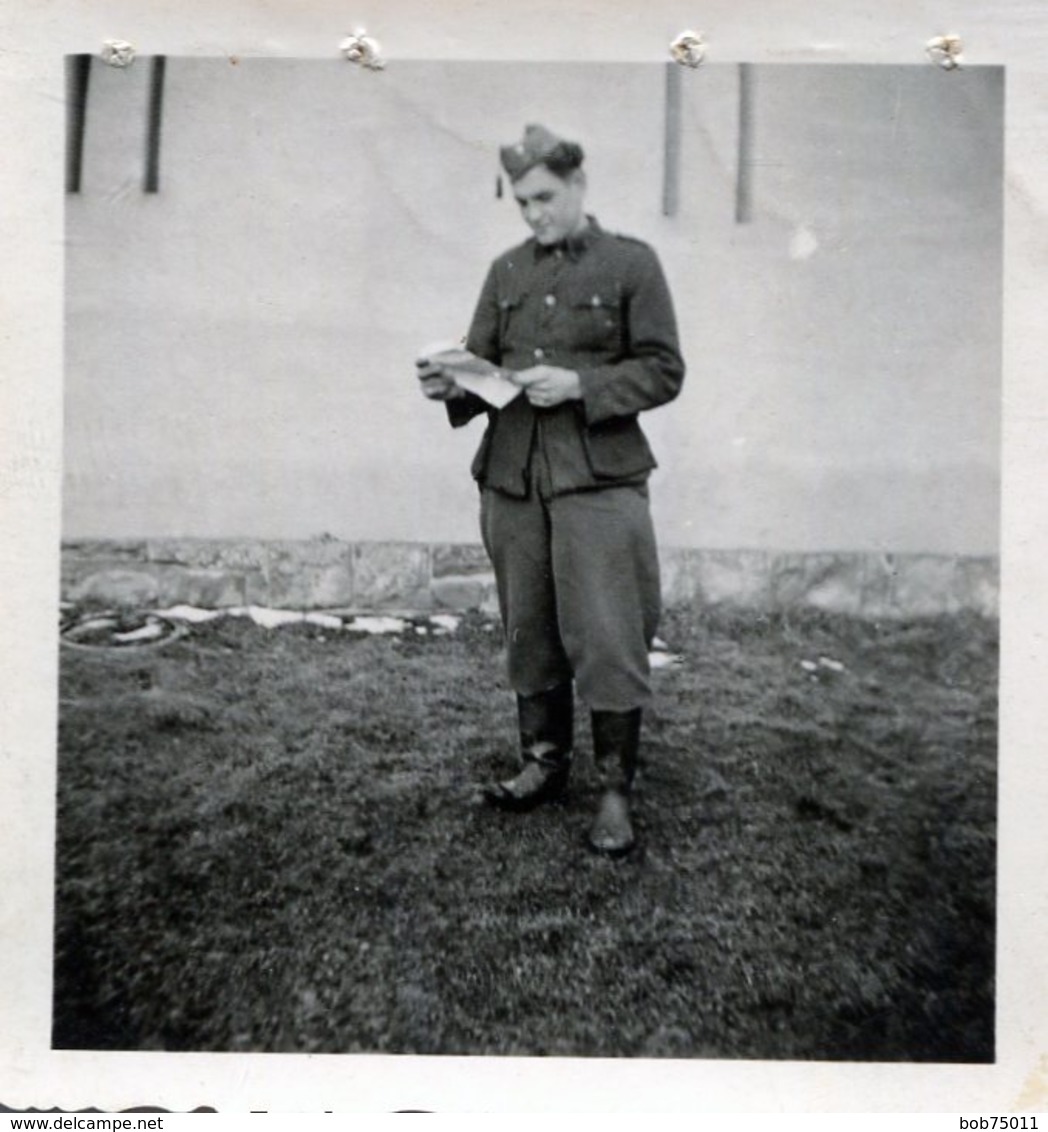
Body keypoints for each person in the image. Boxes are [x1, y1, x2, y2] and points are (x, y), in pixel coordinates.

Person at [418, 123, 685, 855]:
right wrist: (451, 383)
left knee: (606, 630)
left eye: (544, 198)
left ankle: (614, 790)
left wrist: (582, 384)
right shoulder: (506, 273)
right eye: (522, 203)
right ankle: (542, 763)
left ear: (577, 186)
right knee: (527, 625)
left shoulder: (632, 264)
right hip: (513, 476)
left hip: (599, 475)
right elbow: (483, 370)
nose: (534, 215)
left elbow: (664, 369)